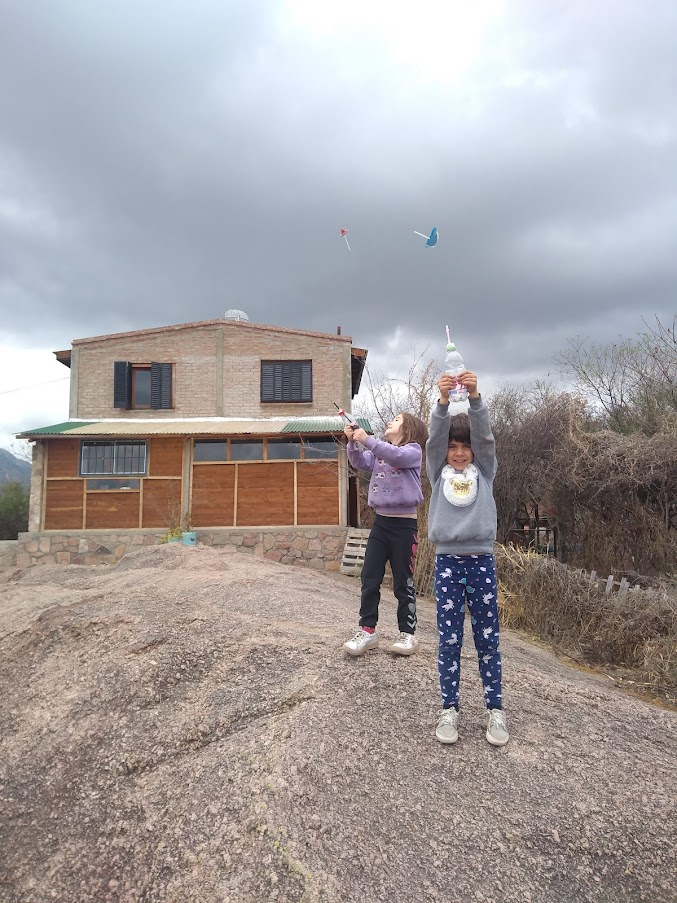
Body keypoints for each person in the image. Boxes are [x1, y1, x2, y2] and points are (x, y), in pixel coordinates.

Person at [426, 371, 509, 746]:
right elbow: (432, 440)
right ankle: (450, 710)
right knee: (449, 641)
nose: (459, 453)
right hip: (447, 563)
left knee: (488, 641)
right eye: (453, 446)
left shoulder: (484, 472)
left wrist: (475, 399)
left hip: (481, 563)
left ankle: (495, 711)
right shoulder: (437, 472)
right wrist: (443, 403)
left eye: (465, 446)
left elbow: (487, 438)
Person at [343, 412, 429, 657]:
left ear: (409, 429)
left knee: (403, 582)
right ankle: (367, 631)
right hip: (380, 525)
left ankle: (407, 635)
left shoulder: (412, 451)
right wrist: (352, 442)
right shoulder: (380, 453)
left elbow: (395, 456)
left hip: (405, 527)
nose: (390, 422)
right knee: (370, 578)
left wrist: (367, 439)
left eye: (397, 420)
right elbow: (359, 462)